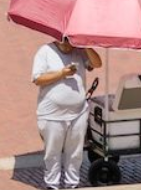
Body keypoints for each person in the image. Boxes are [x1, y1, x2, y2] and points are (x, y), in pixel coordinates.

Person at [32, 33, 102, 190]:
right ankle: (52, 185)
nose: (69, 44)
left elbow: (97, 64)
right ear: (58, 38)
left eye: (72, 39)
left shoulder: (80, 51)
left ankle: (72, 184)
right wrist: (62, 73)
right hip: (52, 115)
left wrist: (85, 45)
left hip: (78, 113)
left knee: (75, 152)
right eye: (66, 40)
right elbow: (38, 79)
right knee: (53, 153)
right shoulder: (45, 51)